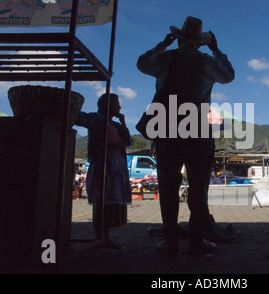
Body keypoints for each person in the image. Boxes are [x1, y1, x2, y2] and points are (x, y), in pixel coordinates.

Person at [137, 16, 235, 256]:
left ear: (178, 39)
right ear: (200, 43)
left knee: (169, 187)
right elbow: (229, 75)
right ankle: (197, 242)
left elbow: (141, 63)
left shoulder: (165, 58)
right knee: (198, 188)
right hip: (197, 129)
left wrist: (163, 44)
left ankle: (171, 242)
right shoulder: (206, 61)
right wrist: (216, 49)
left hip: (167, 129)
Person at [75, 93, 132, 249]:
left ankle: (105, 235)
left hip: (115, 167)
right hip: (103, 165)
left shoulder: (117, 125)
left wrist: (123, 122)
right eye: (116, 104)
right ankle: (101, 235)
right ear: (106, 105)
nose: (119, 107)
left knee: (110, 200)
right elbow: (80, 118)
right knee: (103, 200)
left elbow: (128, 141)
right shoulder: (97, 119)